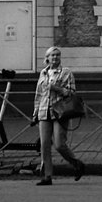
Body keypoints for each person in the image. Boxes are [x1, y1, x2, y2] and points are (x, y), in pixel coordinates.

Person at [33, 47, 85, 184]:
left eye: (57, 55)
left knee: (59, 144)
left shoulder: (66, 72)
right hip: (44, 111)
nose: (55, 58)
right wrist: (35, 113)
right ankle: (47, 176)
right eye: (52, 55)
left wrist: (57, 89)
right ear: (47, 58)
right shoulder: (43, 73)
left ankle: (77, 164)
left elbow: (72, 92)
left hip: (60, 112)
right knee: (44, 145)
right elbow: (38, 95)